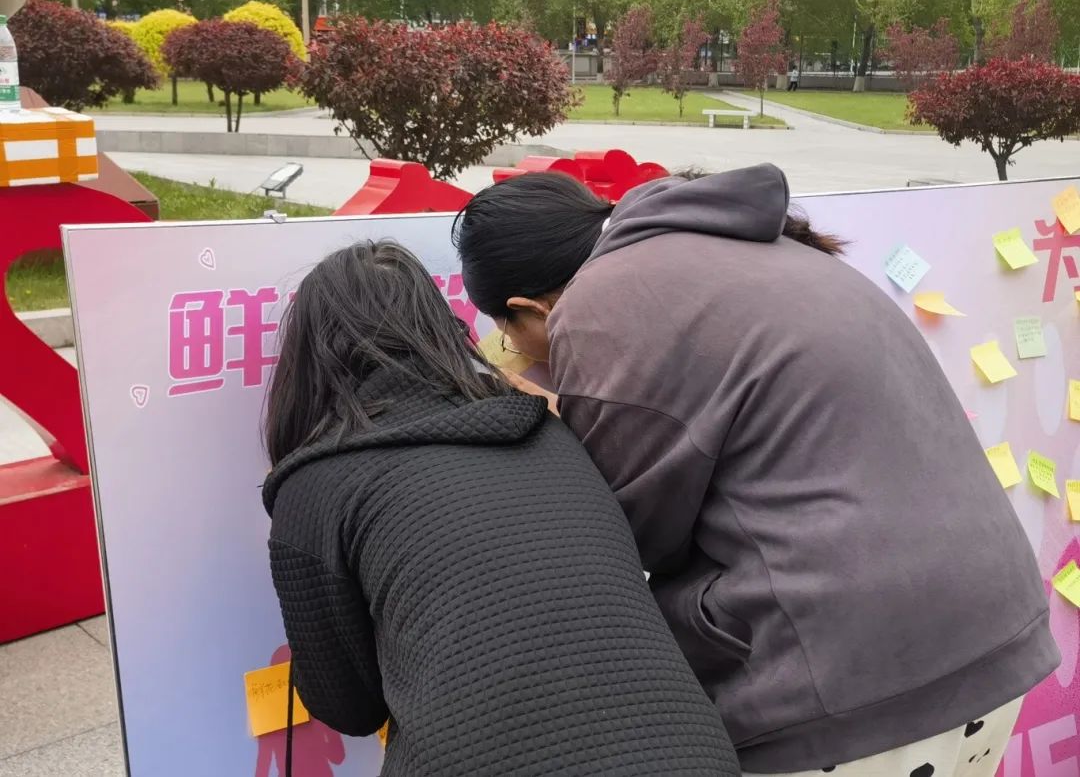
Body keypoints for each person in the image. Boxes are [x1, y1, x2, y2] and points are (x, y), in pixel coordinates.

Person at [453, 165, 1059, 777]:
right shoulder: (739, 245)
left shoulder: (601, 302)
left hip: (854, 682)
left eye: (509, 336)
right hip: (993, 637)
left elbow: (632, 533)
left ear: (528, 308)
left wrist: (548, 419)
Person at [262, 241, 739, 777]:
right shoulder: (548, 432)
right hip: (694, 754)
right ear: (440, 327)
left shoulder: (316, 486)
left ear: (310, 356)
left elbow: (348, 707)